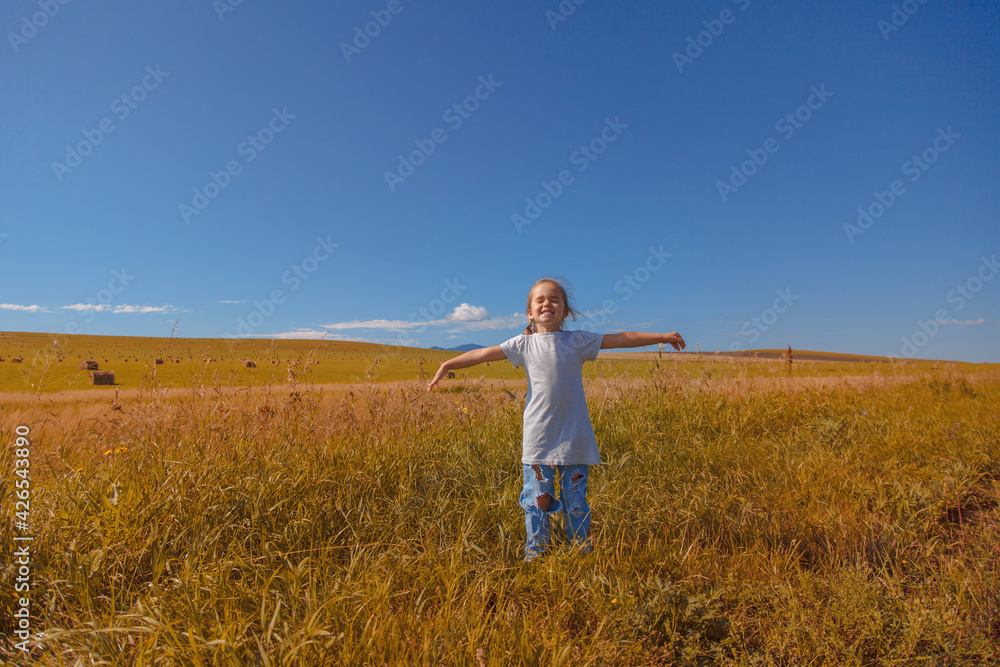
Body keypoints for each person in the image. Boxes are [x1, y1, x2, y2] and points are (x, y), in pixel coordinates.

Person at [427, 277, 685, 560]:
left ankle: (580, 551)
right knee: (536, 502)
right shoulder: (522, 345)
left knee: (576, 502)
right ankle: (537, 553)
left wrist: (661, 337)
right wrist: (447, 363)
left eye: (554, 299)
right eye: (540, 300)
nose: (547, 303)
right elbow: (481, 353)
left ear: (565, 311)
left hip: (575, 438)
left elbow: (621, 337)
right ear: (529, 312)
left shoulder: (578, 341)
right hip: (538, 439)